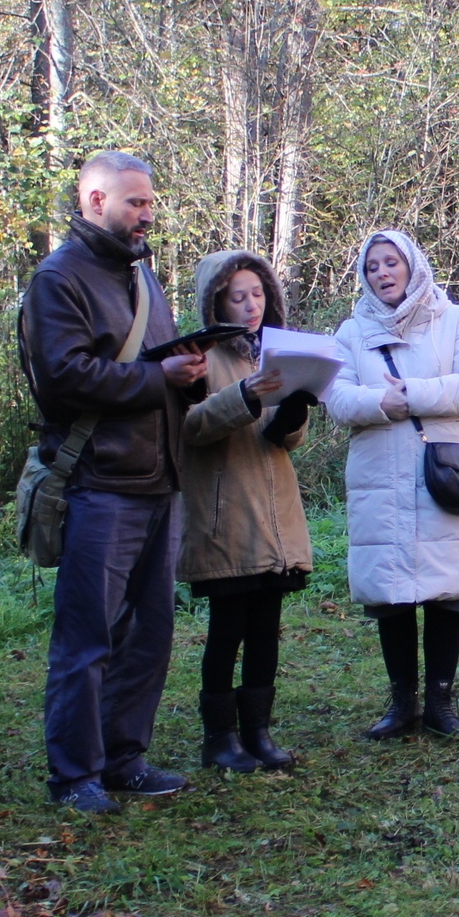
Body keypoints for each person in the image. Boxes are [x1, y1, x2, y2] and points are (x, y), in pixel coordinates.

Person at [21, 150, 208, 814]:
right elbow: (65, 375)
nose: (147, 213)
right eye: (135, 202)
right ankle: (74, 775)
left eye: (151, 202)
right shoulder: (58, 280)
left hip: (160, 479)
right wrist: (161, 378)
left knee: (150, 632)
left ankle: (124, 759)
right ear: (94, 201)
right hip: (99, 482)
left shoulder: (141, 276)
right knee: (88, 637)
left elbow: (148, 362)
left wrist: (190, 367)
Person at [325, 229, 459, 738]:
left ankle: (441, 704)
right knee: (392, 592)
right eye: (373, 265)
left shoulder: (455, 319)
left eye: (391, 262)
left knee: (446, 590)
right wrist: (381, 404)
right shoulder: (351, 332)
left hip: (444, 472)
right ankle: (402, 704)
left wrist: (415, 394)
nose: (382, 272)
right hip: (380, 476)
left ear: (412, 265)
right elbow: (333, 395)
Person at [178, 249, 315, 774]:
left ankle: (258, 732)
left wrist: (294, 413)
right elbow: (189, 429)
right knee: (227, 629)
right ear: (218, 302)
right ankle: (219, 738)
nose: (251, 305)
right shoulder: (200, 359)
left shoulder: (272, 354)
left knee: (265, 629)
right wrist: (244, 395)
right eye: (238, 297)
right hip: (226, 517)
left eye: (258, 294)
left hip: (277, 517)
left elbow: (284, 442)